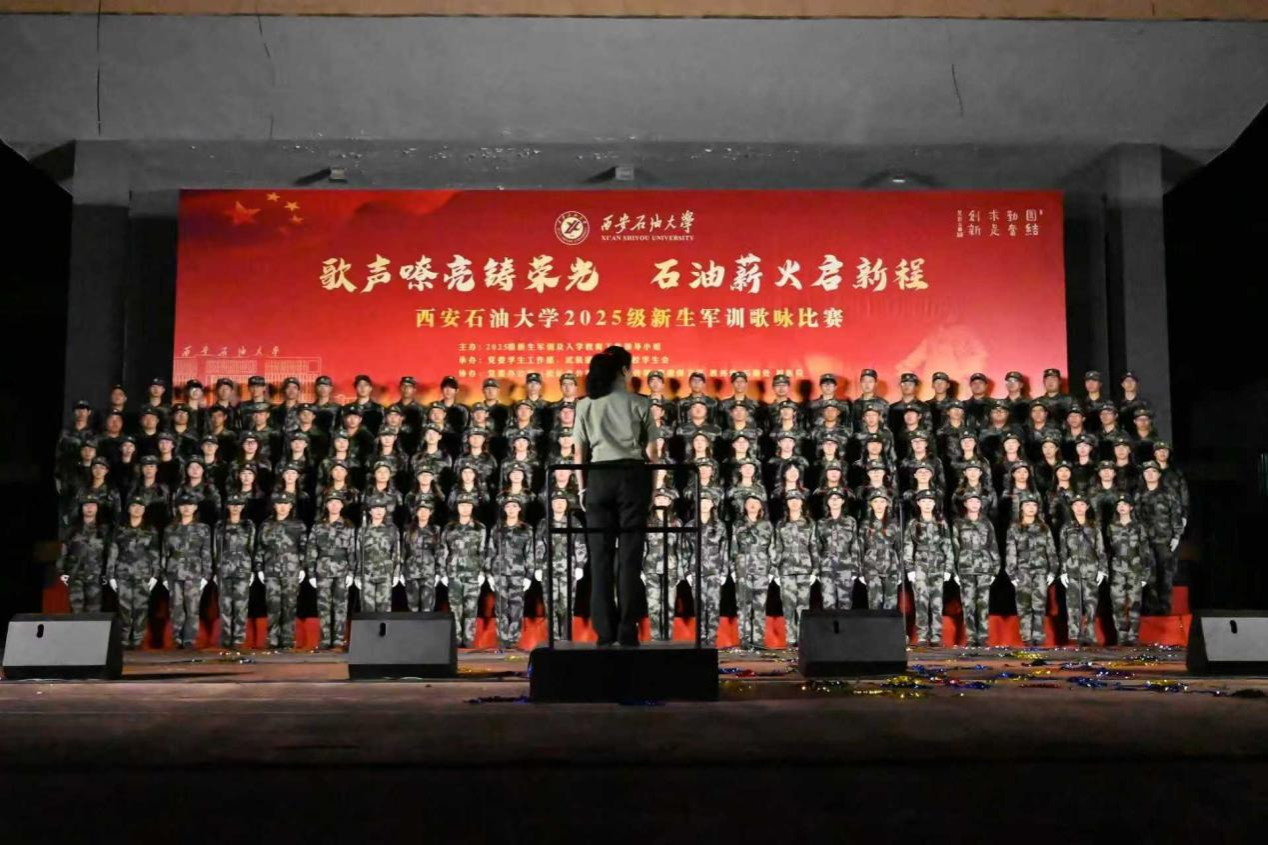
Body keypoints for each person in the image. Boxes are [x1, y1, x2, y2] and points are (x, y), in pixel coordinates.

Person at [574, 346, 658, 647]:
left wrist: (582, 488)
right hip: (632, 477)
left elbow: (579, 452)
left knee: (600, 558)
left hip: (598, 478)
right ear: (624, 370)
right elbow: (652, 451)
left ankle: (604, 632)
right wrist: (653, 489)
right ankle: (627, 629)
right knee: (630, 557)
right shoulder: (640, 402)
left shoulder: (585, 404)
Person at [306, 492, 358, 649]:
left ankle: (339, 639)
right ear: (326, 505)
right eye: (331, 502)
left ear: (342, 506)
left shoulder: (349, 526)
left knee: (340, 606)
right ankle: (325, 639)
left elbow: (352, 550)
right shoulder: (318, 526)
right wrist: (310, 573)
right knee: (323, 606)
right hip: (322, 569)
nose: (334, 505)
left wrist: (351, 572)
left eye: (337, 503)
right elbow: (311, 549)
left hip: (342, 570)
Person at [1005, 493, 1058, 646]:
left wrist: (1053, 571)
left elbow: (1051, 551)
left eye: (1034, 505)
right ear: (1021, 508)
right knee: (1024, 606)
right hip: (1022, 572)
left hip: (1041, 571)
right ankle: (1027, 638)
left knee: (1039, 606)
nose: (1031, 508)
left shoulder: (1044, 528)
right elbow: (1011, 551)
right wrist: (1011, 573)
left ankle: (1038, 637)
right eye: (1027, 505)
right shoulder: (1015, 528)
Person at [255, 492, 306, 648]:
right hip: (271, 569)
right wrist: (259, 568)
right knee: (273, 605)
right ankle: (272, 638)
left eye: (286, 504)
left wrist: (303, 567)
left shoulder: (298, 525)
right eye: (279, 504)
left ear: (291, 506)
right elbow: (260, 547)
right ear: (274, 506)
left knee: (289, 605)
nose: (283, 507)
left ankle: (287, 638)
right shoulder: (266, 525)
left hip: (291, 570)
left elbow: (304, 547)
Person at [904, 489, 953, 646]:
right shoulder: (913, 523)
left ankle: (936, 635)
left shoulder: (941, 522)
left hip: (938, 565)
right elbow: (908, 546)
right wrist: (909, 568)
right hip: (920, 566)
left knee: (937, 603)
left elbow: (948, 545)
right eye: (924, 501)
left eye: (930, 501)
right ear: (918, 503)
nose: (927, 504)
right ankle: (923, 636)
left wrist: (949, 568)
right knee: (921, 601)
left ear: (934, 504)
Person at [165, 492, 213, 648]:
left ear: (195, 507)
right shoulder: (170, 528)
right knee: (176, 608)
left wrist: (206, 575)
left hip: (194, 574)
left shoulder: (203, 528)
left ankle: (189, 640)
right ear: (178, 508)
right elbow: (164, 553)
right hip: (174, 572)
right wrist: (163, 576)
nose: (186, 508)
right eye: (183, 505)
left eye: (190, 505)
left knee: (192, 609)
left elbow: (206, 552)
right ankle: (177, 639)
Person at [110, 496, 159, 647]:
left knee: (141, 608)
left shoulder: (150, 530)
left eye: (141, 507)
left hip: (143, 574)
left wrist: (155, 574)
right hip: (122, 574)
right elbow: (113, 552)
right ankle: (124, 639)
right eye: (134, 506)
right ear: (129, 509)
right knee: (123, 608)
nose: (137, 509)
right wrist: (110, 575)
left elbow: (155, 553)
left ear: (144, 510)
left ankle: (138, 639)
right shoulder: (120, 529)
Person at [952, 491, 999, 647]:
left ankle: (983, 636)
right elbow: (955, 548)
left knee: (983, 603)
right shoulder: (958, 523)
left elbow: (993, 545)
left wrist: (995, 568)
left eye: (977, 502)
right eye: (971, 501)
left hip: (984, 566)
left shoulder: (986, 523)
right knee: (968, 604)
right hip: (965, 567)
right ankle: (971, 637)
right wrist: (954, 571)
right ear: (965, 504)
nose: (975, 504)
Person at [1059, 493, 1106, 646]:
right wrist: (1063, 571)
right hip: (1072, 569)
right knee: (1073, 605)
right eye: (1076, 505)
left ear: (1087, 507)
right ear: (1072, 508)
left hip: (1091, 569)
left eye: (1082, 504)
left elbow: (1100, 550)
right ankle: (1075, 636)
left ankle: (1090, 634)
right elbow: (1063, 551)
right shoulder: (1067, 527)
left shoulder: (1094, 527)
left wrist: (1102, 569)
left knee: (1091, 604)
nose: (1079, 508)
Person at [441, 491, 486, 647]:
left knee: (471, 609)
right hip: (453, 573)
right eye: (462, 505)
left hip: (473, 573)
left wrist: (482, 572)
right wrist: (442, 573)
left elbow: (483, 551)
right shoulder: (449, 528)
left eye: (468, 505)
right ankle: (456, 641)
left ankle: (468, 641)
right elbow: (443, 550)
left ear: (472, 507)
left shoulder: (479, 528)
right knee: (455, 609)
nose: (465, 508)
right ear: (457, 507)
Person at [1106, 495, 1153, 645]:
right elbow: (1107, 551)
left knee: (1134, 605)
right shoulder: (1111, 527)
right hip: (1117, 571)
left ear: (1131, 507)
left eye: (1125, 504)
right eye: (1119, 504)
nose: (1121, 506)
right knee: (1118, 605)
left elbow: (1145, 551)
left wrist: (1145, 574)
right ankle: (1121, 637)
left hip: (1135, 571)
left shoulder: (1138, 527)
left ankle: (1133, 637)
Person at [774, 489, 817, 645]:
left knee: (803, 607)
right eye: (791, 500)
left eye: (797, 500)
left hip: (805, 570)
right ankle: (790, 640)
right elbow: (777, 547)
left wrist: (815, 570)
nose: (794, 502)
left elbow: (814, 547)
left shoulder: (809, 523)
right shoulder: (781, 523)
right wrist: (775, 570)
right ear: (787, 503)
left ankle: (802, 639)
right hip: (786, 570)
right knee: (788, 607)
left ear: (802, 503)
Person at [491, 493, 535, 647]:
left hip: (518, 573)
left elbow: (530, 552)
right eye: (508, 506)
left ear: (519, 509)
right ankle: (502, 640)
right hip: (500, 573)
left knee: (516, 607)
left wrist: (529, 575)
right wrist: (489, 573)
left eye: (514, 506)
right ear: (504, 509)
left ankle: (514, 640)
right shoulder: (497, 528)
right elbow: (490, 550)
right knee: (500, 607)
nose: (511, 509)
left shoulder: (526, 529)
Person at [733, 492, 775, 649]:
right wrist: (732, 568)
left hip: (762, 569)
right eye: (749, 502)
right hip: (742, 568)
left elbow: (772, 547)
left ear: (761, 506)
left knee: (760, 605)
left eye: (756, 502)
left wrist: (773, 569)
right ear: (744, 506)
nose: (752, 505)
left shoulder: (767, 525)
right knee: (743, 605)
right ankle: (744, 639)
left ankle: (758, 640)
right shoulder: (738, 524)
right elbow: (733, 547)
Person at [215, 493, 256, 648]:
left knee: (241, 606)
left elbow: (252, 547)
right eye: (232, 504)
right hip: (224, 568)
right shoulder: (221, 525)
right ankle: (226, 638)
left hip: (243, 568)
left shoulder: (248, 525)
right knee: (224, 606)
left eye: (238, 505)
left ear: (243, 506)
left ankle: (238, 638)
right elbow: (215, 548)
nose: (235, 508)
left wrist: (252, 569)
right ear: (227, 506)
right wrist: (216, 569)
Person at [60, 499, 109, 613]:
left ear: (97, 508)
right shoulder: (72, 529)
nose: (89, 508)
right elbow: (64, 550)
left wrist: (108, 573)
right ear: (81, 508)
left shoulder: (104, 530)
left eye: (93, 505)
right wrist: (61, 571)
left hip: (96, 575)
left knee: (94, 610)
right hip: (75, 574)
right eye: (86, 505)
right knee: (76, 609)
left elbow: (109, 552)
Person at [859, 489, 901, 610]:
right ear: (871, 504)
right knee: (874, 602)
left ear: (887, 504)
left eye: (882, 501)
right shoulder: (865, 523)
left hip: (891, 564)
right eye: (876, 501)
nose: (879, 505)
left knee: (891, 603)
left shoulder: (894, 523)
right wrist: (860, 571)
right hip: (871, 564)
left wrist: (901, 572)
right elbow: (860, 548)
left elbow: (899, 547)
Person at [400, 500, 442, 613]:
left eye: (426, 510)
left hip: (429, 572)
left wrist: (439, 572)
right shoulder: (408, 529)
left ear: (430, 512)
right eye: (420, 510)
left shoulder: (435, 530)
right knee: (412, 607)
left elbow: (439, 552)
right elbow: (403, 551)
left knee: (427, 608)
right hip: (411, 572)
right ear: (416, 512)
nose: (423, 513)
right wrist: (400, 571)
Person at [358, 500, 400, 613]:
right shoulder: (363, 530)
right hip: (367, 572)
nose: (378, 511)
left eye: (381, 508)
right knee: (367, 608)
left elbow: (396, 552)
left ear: (385, 511)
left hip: (385, 572)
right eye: (375, 508)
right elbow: (358, 553)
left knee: (384, 608)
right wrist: (357, 574)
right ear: (370, 512)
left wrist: (396, 573)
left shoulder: (392, 529)